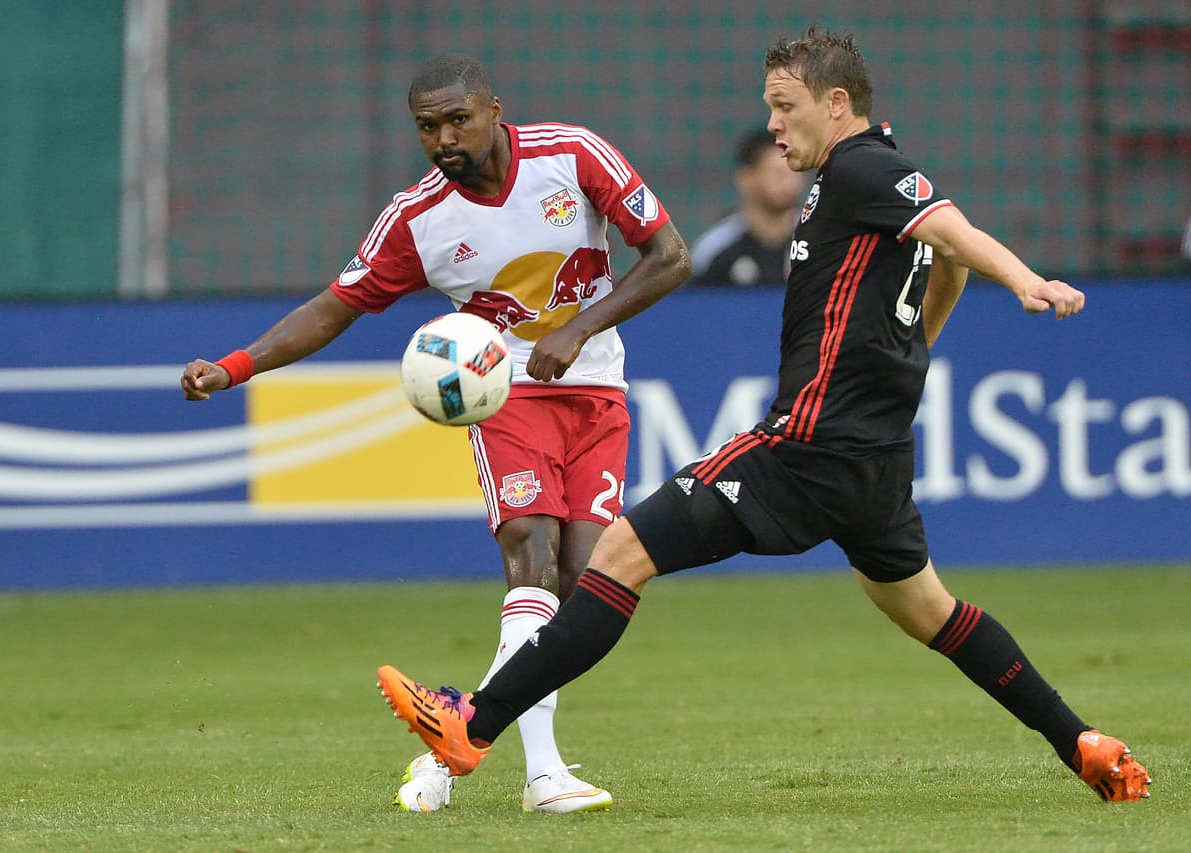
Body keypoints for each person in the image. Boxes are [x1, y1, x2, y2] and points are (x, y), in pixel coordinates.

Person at [377, 29, 1152, 805]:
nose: (774, 126)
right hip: (873, 464)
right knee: (932, 612)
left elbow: (953, 232)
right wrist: (914, 353)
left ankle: (472, 726)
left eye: (785, 107)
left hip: (803, 449)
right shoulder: (865, 180)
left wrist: (1025, 279)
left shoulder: (860, 167)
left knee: (618, 553)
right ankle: (1079, 740)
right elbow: (944, 262)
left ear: (836, 104)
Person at [181, 54, 691, 812]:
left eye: (458, 119)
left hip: (596, 396)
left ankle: (449, 752)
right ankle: (544, 774)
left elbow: (671, 257)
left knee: (589, 591)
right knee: (532, 560)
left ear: (494, 110)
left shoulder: (573, 155)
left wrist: (579, 330)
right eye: (428, 126)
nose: (444, 137)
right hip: (505, 397)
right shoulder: (418, 219)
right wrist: (234, 366)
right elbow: (333, 307)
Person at [688, 126, 805, 287]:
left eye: (794, 171)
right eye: (776, 173)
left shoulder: (820, 241)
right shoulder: (714, 250)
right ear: (745, 178)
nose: (787, 182)